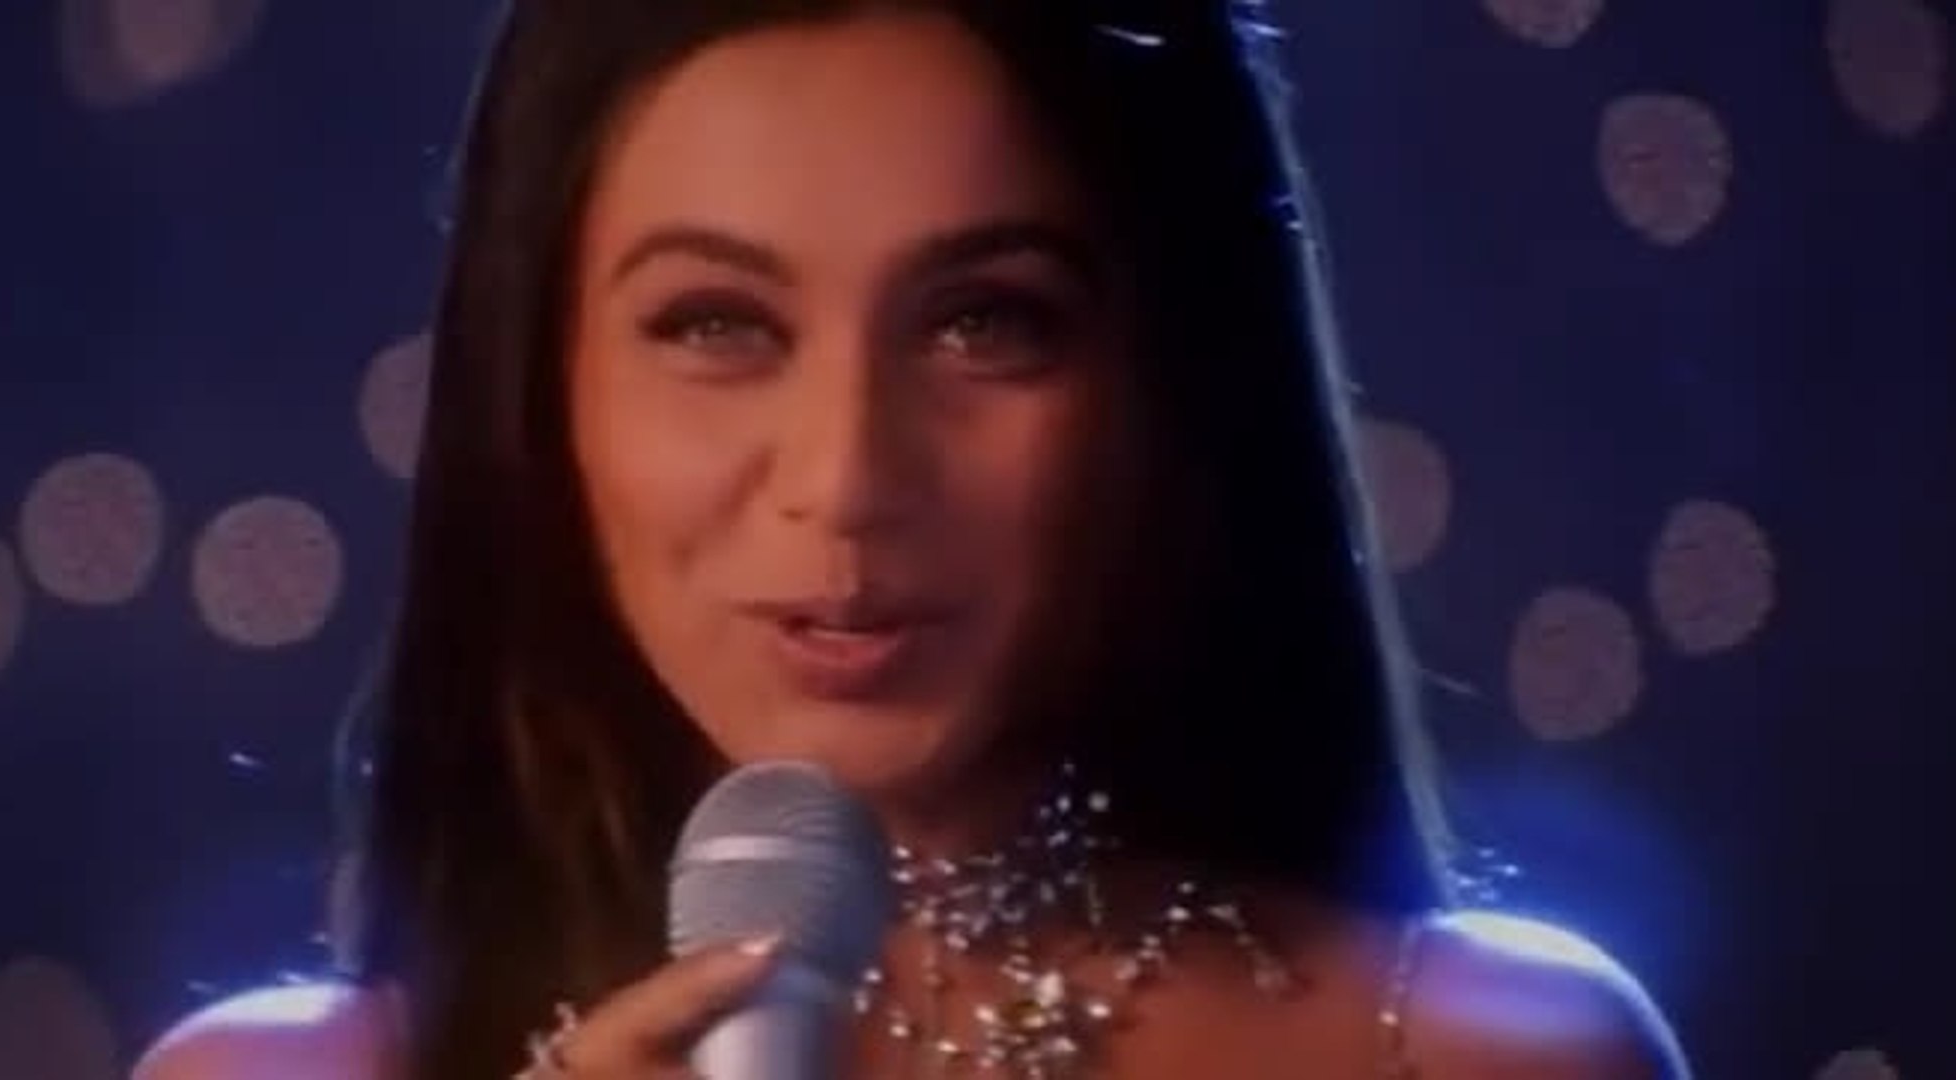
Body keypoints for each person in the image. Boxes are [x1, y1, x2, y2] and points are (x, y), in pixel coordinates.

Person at [141, 0, 1689, 1076]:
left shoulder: (1486, 1052)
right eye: (716, 324)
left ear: (1165, 382)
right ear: (541, 394)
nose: (846, 479)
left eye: (982, 323)